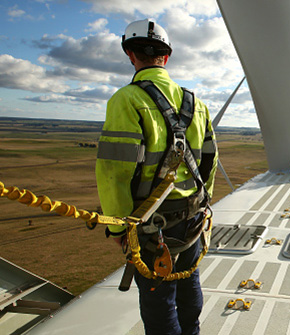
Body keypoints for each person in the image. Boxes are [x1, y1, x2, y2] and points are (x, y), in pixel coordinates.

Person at [96, 19, 217, 335]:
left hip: (150, 225)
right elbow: (210, 162)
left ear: (129, 54)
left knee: (158, 300)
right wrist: (204, 205)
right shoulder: (197, 104)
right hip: (192, 217)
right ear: (167, 57)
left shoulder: (127, 99)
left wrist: (120, 228)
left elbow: (114, 172)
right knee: (188, 281)